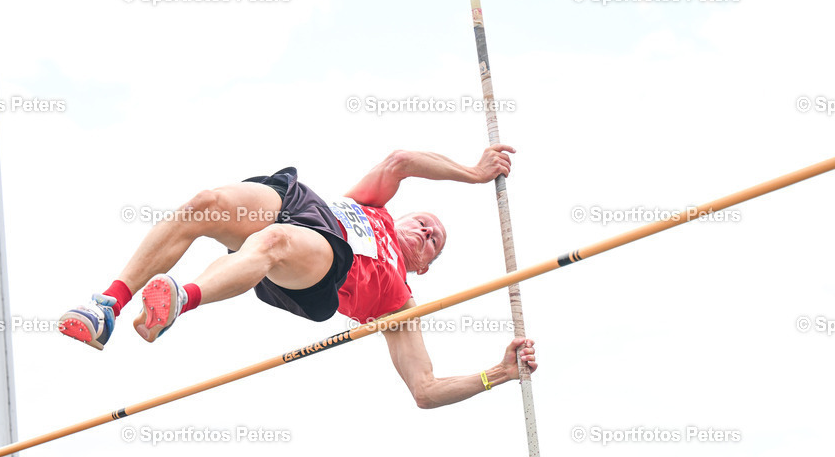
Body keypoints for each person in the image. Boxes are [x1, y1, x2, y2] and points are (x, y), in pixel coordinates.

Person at [59, 144, 536, 408]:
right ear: (405, 216)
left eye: (435, 241)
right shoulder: (373, 205)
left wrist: (498, 374)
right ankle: (109, 306)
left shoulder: (401, 301)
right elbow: (400, 162)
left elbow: (425, 391)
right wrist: (474, 173)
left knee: (274, 243)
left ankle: (182, 298)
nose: (430, 230)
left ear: (424, 265)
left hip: (322, 267)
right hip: (305, 208)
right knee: (204, 205)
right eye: (425, 222)